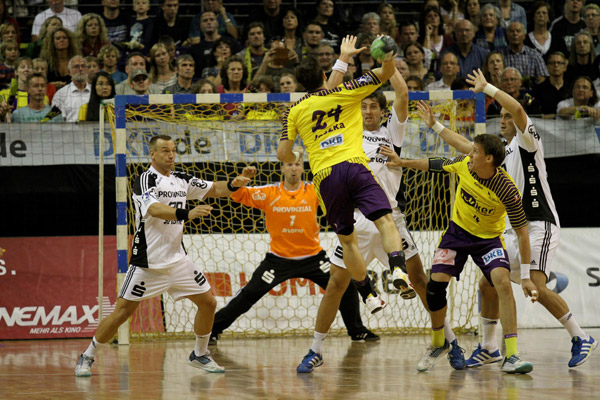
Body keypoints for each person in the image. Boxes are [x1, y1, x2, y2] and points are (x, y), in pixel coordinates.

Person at [428, 68, 598, 369]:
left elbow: (518, 109)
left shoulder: (527, 140)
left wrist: (487, 88)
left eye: (507, 116)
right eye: (502, 117)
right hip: (514, 227)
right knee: (488, 284)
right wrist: (436, 125)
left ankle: (580, 336)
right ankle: (490, 347)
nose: (504, 119)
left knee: (535, 286)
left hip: (539, 223)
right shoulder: (501, 154)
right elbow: (465, 147)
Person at [277, 36, 410, 373]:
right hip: (355, 167)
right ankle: (396, 268)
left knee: (346, 240)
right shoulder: (346, 91)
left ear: (299, 84)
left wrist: (294, 144)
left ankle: (367, 294)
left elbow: (283, 154)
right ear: (324, 76)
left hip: (326, 178)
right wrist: (386, 53)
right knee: (387, 222)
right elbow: (387, 73)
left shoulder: (295, 111)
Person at [74, 134, 257, 377]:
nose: (170, 155)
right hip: (148, 263)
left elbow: (214, 189)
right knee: (122, 312)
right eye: (164, 151)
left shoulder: (181, 178)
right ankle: (88, 355)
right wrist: (187, 214)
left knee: (208, 303)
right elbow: (154, 209)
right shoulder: (145, 179)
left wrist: (235, 183)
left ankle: (199, 354)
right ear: (152, 154)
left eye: (173, 150)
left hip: (178, 260)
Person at [327, 60, 466, 372]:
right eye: (363, 107)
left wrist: (388, 65)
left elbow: (402, 94)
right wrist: (342, 63)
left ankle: (449, 341)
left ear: (382, 112)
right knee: (336, 283)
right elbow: (329, 99)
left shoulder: (391, 133)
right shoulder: (347, 134)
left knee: (420, 281)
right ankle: (316, 348)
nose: (368, 112)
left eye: (373, 107)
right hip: (357, 220)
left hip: (390, 218)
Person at [389, 95, 535, 374]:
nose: (470, 153)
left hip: (488, 240)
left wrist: (526, 275)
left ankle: (512, 355)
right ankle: (438, 343)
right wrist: (403, 161)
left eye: (475, 151)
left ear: (488, 159)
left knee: (503, 283)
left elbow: (522, 232)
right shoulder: (465, 165)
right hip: (456, 234)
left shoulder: (507, 189)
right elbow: (434, 163)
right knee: (434, 288)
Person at [210, 153, 379, 344]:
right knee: (249, 294)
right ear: (282, 168)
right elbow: (238, 194)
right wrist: (242, 178)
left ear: (302, 168)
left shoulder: (314, 190)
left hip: (313, 258)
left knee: (345, 286)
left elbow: (339, 194)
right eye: (289, 164)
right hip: (278, 260)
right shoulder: (269, 192)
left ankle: (357, 331)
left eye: (297, 164)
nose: (293, 168)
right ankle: (212, 329)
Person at [51, 55, 90, 122]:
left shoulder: (95, 91)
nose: (80, 69)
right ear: (69, 72)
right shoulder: (60, 94)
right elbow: (56, 120)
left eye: (83, 66)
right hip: (68, 128)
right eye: (76, 67)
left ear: (87, 70)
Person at [532, 51, 569, 118]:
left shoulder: (571, 88)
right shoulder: (538, 89)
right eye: (552, 63)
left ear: (565, 67)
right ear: (547, 67)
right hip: (544, 124)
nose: (556, 65)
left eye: (559, 63)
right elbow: (534, 113)